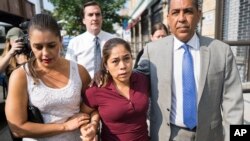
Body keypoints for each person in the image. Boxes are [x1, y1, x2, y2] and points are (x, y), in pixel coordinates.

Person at [136, 0, 244, 141]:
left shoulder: (221, 51)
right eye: (175, 12)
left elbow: (234, 105)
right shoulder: (152, 51)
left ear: (199, 15)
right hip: (168, 136)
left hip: (210, 135)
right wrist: (104, 75)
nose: (181, 18)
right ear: (168, 18)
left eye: (188, 11)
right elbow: (131, 82)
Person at [5, 14, 93, 141]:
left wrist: (92, 125)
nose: (45, 53)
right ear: (30, 44)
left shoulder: (79, 71)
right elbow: (17, 128)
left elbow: (93, 106)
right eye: (38, 47)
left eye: (51, 45)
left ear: (61, 40)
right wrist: (64, 126)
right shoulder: (20, 76)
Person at [81, 38, 150, 141]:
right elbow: (84, 113)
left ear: (132, 58)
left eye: (126, 58)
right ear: (106, 65)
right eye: (115, 61)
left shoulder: (143, 79)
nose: (122, 66)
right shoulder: (97, 89)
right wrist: (92, 126)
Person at [65, 1, 115, 78]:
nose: (95, 18)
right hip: (84, 87)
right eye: (90, 15)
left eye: (98, 14)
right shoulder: (74, 43)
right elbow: (69, 71)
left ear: (102, 18)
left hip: (110, 86)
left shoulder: (113, 40)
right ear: (84, 20)